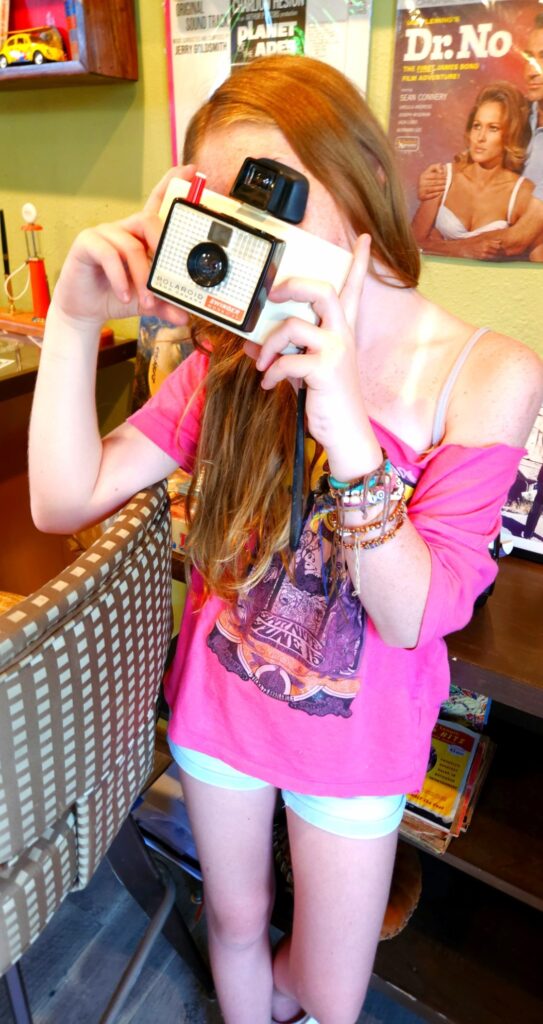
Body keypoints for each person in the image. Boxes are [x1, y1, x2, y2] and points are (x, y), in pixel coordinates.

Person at [28, 56, 543, 1024]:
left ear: (361, 183)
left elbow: (416, 613)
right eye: (226, 211)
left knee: (331, 989)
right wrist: (73, 320)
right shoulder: (231, 359)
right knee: (233, 922)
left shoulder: (489, 374)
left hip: (361, 750)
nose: (253, 239)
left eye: (273, 194)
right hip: (220, 716)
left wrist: (348, 429)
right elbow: (65, 498)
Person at [417, 14, 543, 260]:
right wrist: (432, 182)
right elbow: (476, 159)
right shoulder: (519, 113)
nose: (531, 70)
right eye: (529, 57)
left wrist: (449, 247)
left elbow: (519, 239)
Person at [412, 82, 537, 260]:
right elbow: (412, 245)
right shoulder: (442, 177)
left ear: (510, 135)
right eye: (477, 126)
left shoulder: (522, 193)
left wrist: (437, 245)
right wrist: (463, 249)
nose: (480, 137)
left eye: (493, 128)